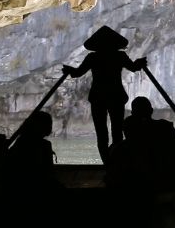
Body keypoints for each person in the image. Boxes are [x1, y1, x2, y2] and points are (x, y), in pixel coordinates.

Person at [62, 26, 147, 163]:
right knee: (117, 132)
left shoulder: (93, 57)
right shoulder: (119, 56)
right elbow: (134, 67)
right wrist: (140, 63)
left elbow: (77, 73)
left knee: (102, 134)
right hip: (116, 96)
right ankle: (117, 163)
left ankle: (107, 163)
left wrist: (68, 70)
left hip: (98, 97)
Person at [118, 96, 175, 178]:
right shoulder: (165, 127)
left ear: (133, 113)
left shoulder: (130, 127)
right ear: (151, 111)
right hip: (167, 176)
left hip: (139, 177)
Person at [4, 110, 60, 192]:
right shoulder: (45, 145)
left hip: (16, 186)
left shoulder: (20, 141)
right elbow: (48, 172)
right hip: (35, 186)